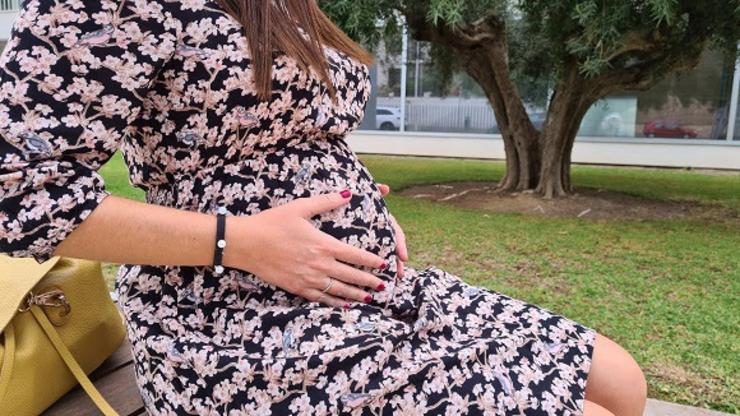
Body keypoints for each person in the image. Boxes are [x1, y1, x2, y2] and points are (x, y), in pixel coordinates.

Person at [0, 0, 647, 414]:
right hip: (243, 329)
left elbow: (295, 134)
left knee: (624, 384)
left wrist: (363, 203)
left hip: (375, 295)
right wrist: (240, 240)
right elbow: (21, 196)